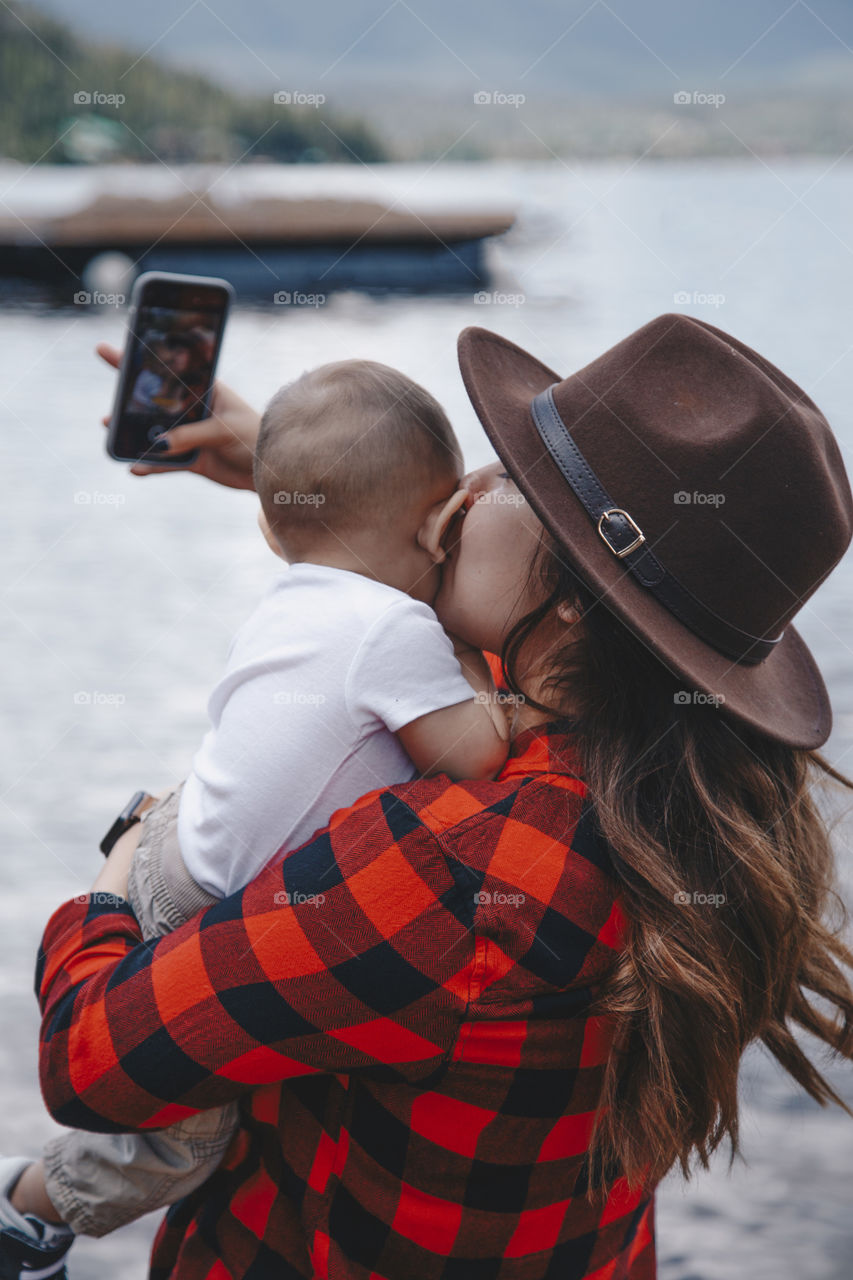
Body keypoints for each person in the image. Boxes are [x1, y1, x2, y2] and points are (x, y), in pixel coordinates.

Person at [10, 314, 853, 1280]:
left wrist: (121, 868)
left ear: (574, 600)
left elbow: (92, 1061)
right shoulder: (695, 797)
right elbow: (456, 656)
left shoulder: (452, 876)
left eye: (513, 480)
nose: (474, 487)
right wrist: (311, 482)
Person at [0, 358, 510, 1265]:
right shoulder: (397, 632)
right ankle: (28, 1211)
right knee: (179, 1144)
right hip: (197, 901)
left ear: (273, 533)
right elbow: (476, 754)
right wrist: (498, 683)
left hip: (175, 836)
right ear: (441, 527)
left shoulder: (291, 596)